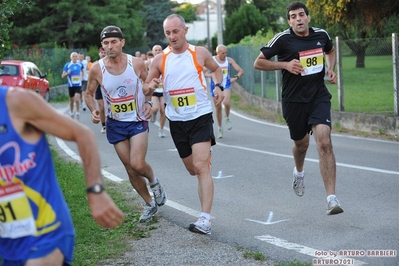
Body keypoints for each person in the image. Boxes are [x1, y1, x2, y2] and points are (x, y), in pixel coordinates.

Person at [0, 85, 124, 265]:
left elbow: (82, 134)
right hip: (10, 243)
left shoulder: (16, 101)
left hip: (48, 231)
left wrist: (95, 191)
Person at [253, 1, 343, 215]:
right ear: (289, 21)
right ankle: (299, 172)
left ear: (308, 17)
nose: (298, 19)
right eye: (293, 16)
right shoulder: (282, 39)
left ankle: (331, 198)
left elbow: (330, 51)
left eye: (301, 15)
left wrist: (330, 69)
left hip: (318, 97)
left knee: (325, 142)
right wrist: (284, 64)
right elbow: (258, 62)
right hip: (293, 101)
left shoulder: (321, 35)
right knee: (301, 145)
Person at [144, 14, 224, 234]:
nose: (172, 36)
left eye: (175, 31)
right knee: (192, 170)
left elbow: (216, 70)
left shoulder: (199, 53)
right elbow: (146, 88)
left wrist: (218, 87)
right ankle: (203, 158)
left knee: (201, 167)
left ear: (185, 30)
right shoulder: (160, 59)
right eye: (168, 33)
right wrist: (150, 87)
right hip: (177, 121)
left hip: (200, 116)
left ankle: (205, 219)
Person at [85, 25, 167, 223]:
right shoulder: (97, 68)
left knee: (137, 163)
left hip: (137, 119)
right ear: (102, 46)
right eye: (106, 43)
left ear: (122, 42)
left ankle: (155, 183)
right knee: (130, 168)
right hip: (115, 123)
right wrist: (94, 110)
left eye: (114, 42)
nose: (110, 46)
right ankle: (150, 204)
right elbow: (88, 93)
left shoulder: (136, 63)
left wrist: (148, 100)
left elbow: (146, 87)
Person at [205, 44, 244, 138]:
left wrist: (235, 78)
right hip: (215, 87)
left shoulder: (229, 60)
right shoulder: (212, 60)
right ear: (217, 53)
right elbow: (202, 71)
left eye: (226, 52)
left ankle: (227, 117)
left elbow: (241, 71)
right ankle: (219, 127)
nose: (225, 54)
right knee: (218, 108)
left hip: (226, 85)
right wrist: (210, 75)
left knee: (226, 102)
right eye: (223, 53)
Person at [147, 44, 167, 138]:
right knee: (155, 108)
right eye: (156, 50)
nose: (158, 51)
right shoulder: (148, 62)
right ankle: (154, 113)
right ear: (152, 51)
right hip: (154, 89)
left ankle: (161, 129)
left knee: (163, 110)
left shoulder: (166, 62)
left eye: (159, 50)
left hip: (163, 89)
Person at [62, 51, 84, 120]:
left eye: (75, 56)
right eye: (73, 56)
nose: (74, 58)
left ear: (77, 57)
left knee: (77, 99)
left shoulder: (80, 64)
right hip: (71, 85)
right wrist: (66, 74)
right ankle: (71, 112)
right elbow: (62, 76)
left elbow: (82, 70)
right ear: (70, 57)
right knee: (71, 100)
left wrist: (82, 77)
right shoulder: (67, 65)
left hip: (78, 84)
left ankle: (77, 112)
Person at [95, 47, 107, 133]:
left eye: (104, 53)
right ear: (99, 54)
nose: (103, 54)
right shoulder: (96, 64)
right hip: (99, 88)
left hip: (110, 88)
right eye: (101, 53)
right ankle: (104, 126)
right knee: (102, 108)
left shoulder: (111, 63)